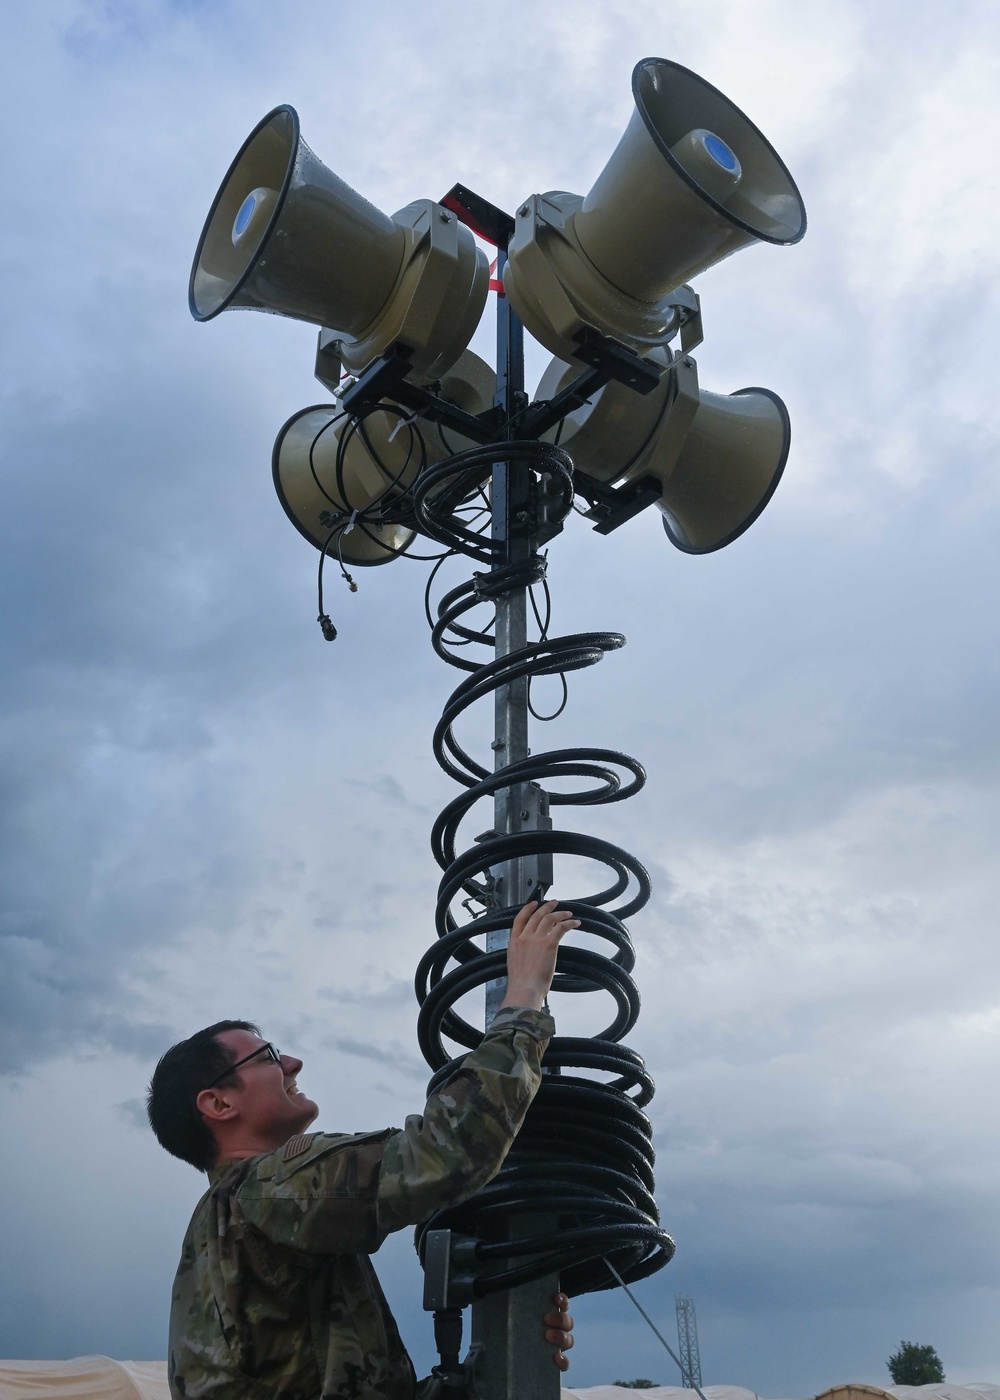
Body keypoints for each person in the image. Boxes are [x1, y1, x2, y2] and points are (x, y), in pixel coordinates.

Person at [147, 899, 578, 1400]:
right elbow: (447, 1152)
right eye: (267, 1056)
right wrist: (523, 998)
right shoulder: (265, 1189)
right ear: (219, 1103)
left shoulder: (224, 1229)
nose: (292, 1062)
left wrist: (514, 1331)